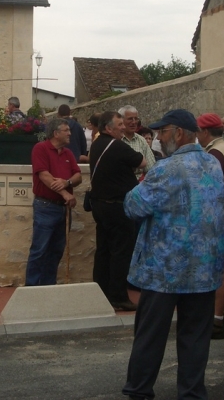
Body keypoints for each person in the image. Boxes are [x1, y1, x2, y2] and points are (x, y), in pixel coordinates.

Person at [122, 109, 224, 400]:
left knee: (150, 335)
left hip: (164, 270)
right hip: (204, 269)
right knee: (195, 337)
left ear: (178, 133)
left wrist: (140, 186)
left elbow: (133, 207)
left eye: (161, 132)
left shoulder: (165, 168)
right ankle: (192, 393)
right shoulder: (213, 164)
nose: (157, 138)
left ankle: (139, 391)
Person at [90, 111, 144, 311]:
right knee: (121, 252)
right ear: (108, 128)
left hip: (100, 205)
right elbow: (142, 161)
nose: (123, 127)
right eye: (119, 124)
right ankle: (119, 296)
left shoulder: (96, 144)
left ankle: (101, 292)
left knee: (103, 251)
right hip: (117, 207)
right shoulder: (117, 146)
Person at [196, 113, 224, 339]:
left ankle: (216, 317)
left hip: (219, 214)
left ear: (205, 132)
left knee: (218, 267)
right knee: (220, 264)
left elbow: (207, 185)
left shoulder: (215, 153)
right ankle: (217, 316)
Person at [26, 117, 82, 286]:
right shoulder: (40, 148)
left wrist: (67, 182)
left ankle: (48, 286)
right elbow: (44, 176)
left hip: (63, 209)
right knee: (39, 250)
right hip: (46, 206)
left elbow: (78, 175)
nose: (70, 133)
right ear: (56, 133)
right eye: (66, 130)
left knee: (56, 250)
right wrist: (65, 193)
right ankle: (32, 288)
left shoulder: (68, 153)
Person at [117, 105, 155, 178]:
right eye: (130, 119)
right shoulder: (116, 140)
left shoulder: (141, 140)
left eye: (136, 119)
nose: (134, 122)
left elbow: (151, 169)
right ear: (121, 120)